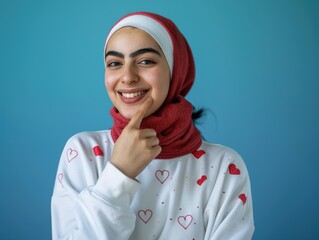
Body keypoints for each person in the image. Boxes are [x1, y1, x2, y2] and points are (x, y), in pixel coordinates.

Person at [51, 11, 254, 240]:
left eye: (145, 61)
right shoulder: (82, 153)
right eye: (115, 63)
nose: (127, 77)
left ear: (175, 70)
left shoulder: (224, 167)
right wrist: (119, 173)